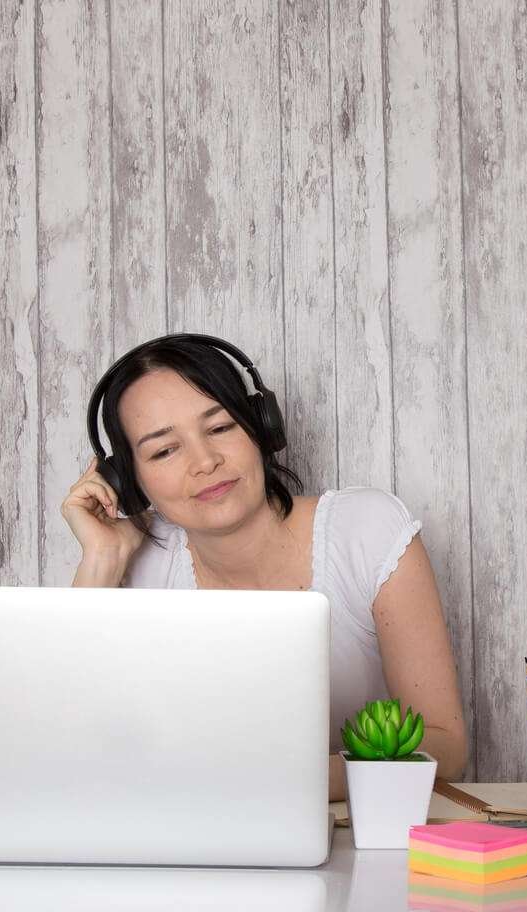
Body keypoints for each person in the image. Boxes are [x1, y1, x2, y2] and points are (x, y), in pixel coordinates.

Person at [61, 333, 468, 800]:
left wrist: (278, 781)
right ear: (129, 482)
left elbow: (446, 746)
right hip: (190, 832)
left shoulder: (367, 532)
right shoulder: (141, 564)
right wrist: (102, 559)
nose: (206, 462)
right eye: (164, 450)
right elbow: (68, 748)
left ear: (260, 427)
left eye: (220, 427)